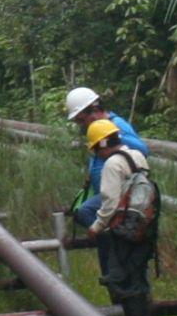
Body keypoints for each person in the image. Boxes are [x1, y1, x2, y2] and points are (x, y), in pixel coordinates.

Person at [84, 118, 157, 316]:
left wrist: (96, 227)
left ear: (102, 145)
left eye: (96, 148)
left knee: (121, 280)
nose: (97, 154)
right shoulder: (137, 156)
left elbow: (110, 203)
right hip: (144, 227)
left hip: (124, 230)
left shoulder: (112, 165)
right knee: (138, 276)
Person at [64, 86, 150, 231]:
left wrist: (113, 137)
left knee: (85, 212)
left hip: (120, 189)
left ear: (93, 112)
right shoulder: (96, 128)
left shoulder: (116, 125)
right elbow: (100, 154)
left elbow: (142, 149)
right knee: (82, 213)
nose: (81, 125)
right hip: (106, 189)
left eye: (81, 120)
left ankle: (110, 236)